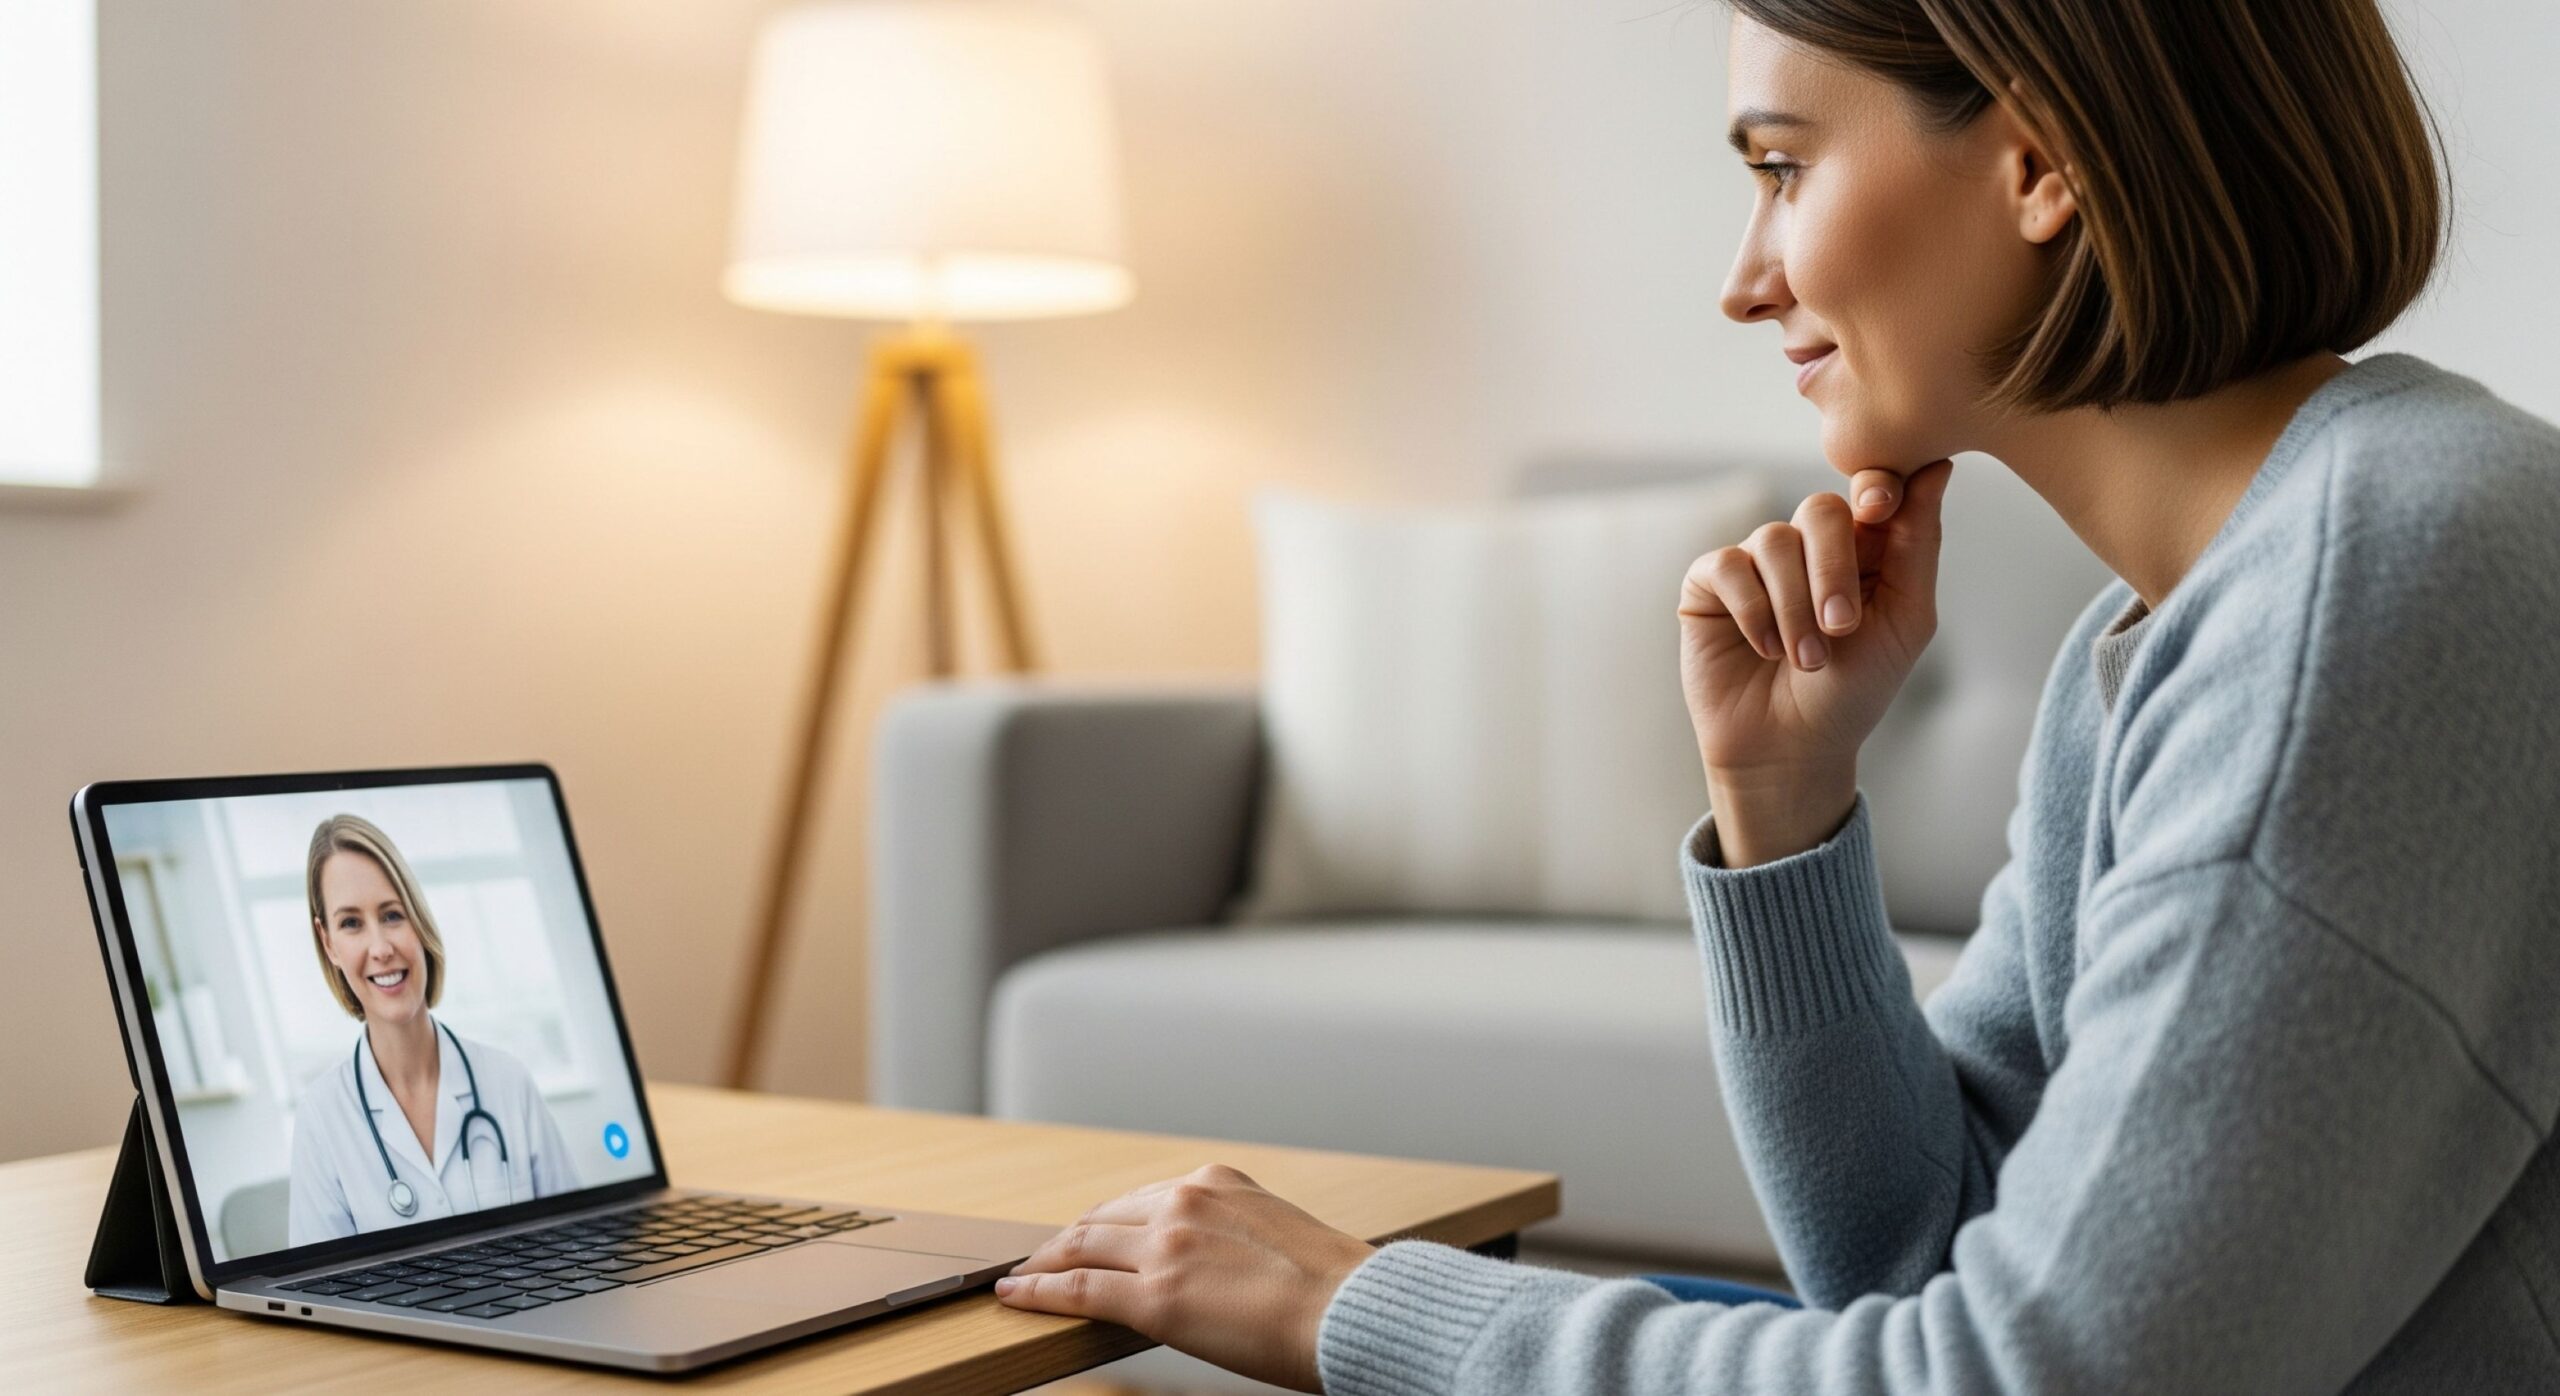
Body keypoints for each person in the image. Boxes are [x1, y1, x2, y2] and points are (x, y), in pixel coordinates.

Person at [990, 0, 2560, 1391]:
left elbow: (2026, 1374)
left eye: (1783, 168)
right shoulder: (2165, 636)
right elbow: (1920, 1263)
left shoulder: (2371, 588)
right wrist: (1783, 813)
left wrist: (1359, 1311)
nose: (1747, 282)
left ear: (2043, 160)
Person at [287, 813, 578, 1247]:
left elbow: (576, 1245)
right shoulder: (322, 1119)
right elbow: (319, 1296)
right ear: (327, 941)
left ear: (418, 919)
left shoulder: (507, 1081)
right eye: (351, 923)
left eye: (392, 915)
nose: (381, 949)